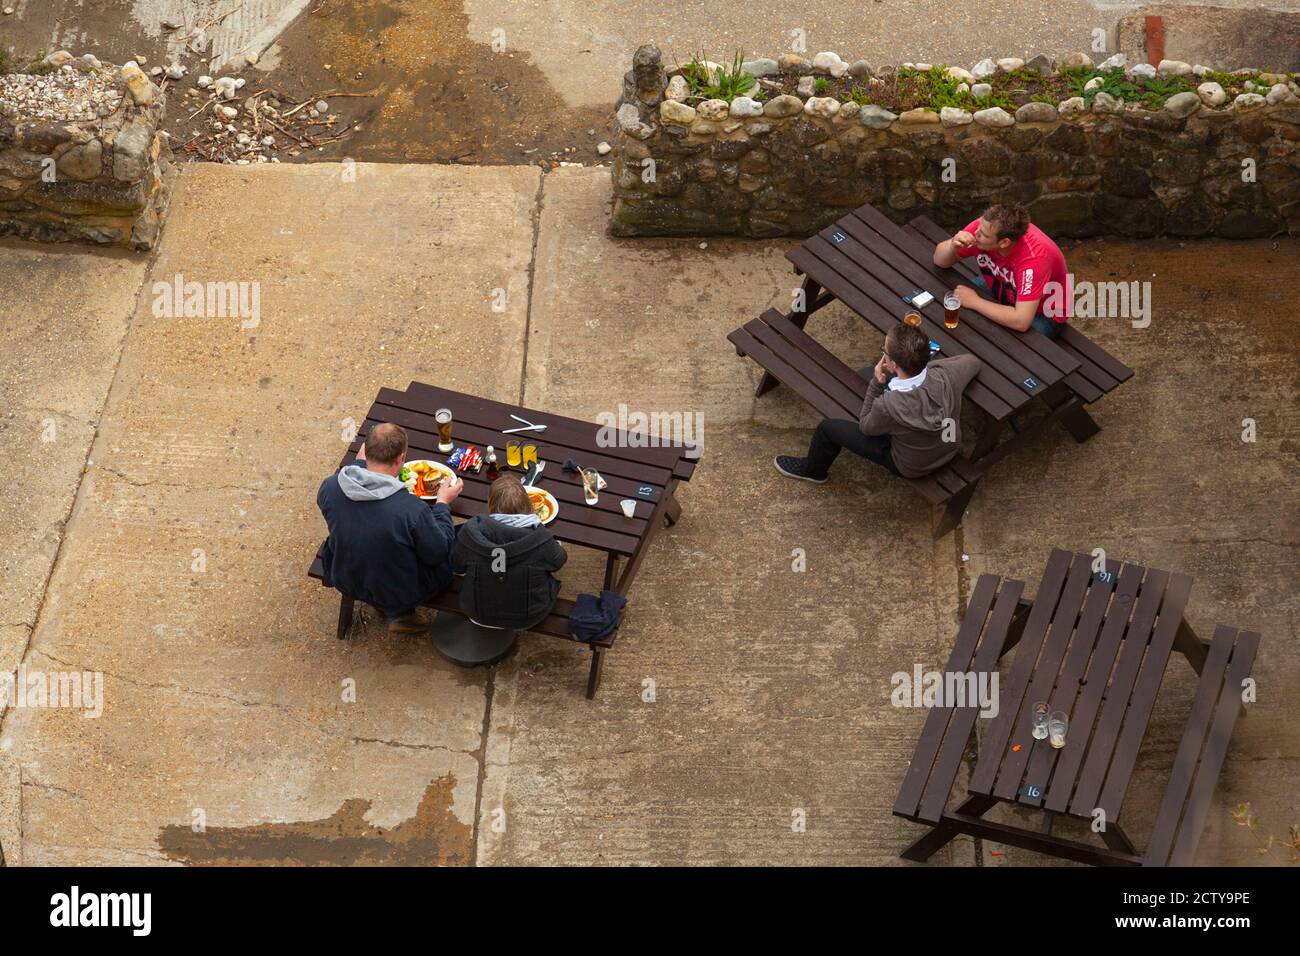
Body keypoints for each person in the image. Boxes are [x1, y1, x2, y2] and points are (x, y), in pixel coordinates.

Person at [773, 322, 980, 482]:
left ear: (893, 364)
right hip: (949, 445)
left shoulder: (888, 405)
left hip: (912, 467)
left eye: (885, 351)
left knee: (827, 429)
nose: (883, 354)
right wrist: (931, 367)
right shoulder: (946, 376)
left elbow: (866, 426)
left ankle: (813, 471)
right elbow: (972, 362)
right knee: (865, 379)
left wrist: (876, 383)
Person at [316, 422, 462, 635]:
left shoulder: (330, 487)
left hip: (345, 575)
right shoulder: (411, 509)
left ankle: (386, 607)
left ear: (366, 452)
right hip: (400, 589)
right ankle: (401, 612)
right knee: (451, 549)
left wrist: (358, 466)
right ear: (401, 459)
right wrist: (442, 504)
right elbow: (437, 552)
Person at [932, 202, 1071, 339]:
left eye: (984, 235)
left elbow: (1021, 321)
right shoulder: (986, 227)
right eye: (978, 227)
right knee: (951, 300)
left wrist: (975, 302)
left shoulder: (1034, 259)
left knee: (1004, 347)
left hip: (1043, 312)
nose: (975, 233)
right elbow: (939, 261)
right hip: (1003, 284)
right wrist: (953, 246)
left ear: (1004, 242)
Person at [452, 476, 567, 630]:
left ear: (490, 504)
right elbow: (559, 561)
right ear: (528, 505)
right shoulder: (541, 539)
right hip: (527, 617)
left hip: (477, 612)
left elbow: (457, 565)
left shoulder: (470, 532)